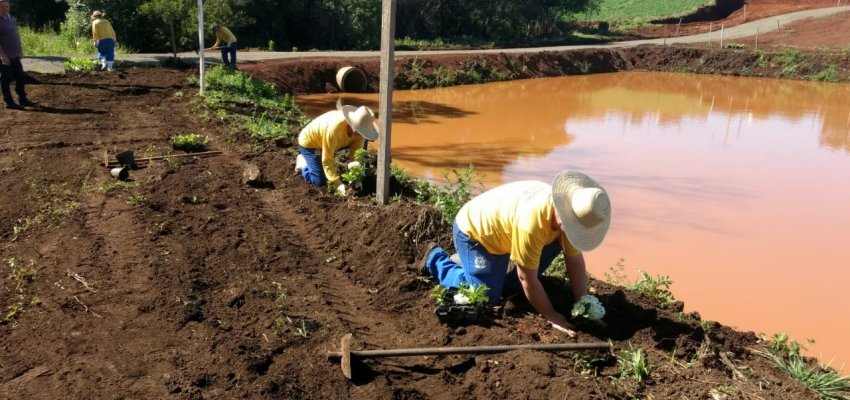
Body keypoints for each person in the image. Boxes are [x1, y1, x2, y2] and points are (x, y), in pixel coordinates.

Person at [419, 170, 611, 336]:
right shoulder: (531, 225)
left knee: (514, 286)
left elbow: (574, 260)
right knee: (487, 298)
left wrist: (585, 306)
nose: (574, 233)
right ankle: (437, 260)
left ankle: (485, 269)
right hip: (476, 235)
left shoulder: (574, 213)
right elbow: (527, 278)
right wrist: (551, 315)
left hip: (507, 232)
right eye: (572, 227)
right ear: (563, 212)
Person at [294, 105, 379, 196]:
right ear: (353, 127)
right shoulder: (335, 129)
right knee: (319, 180)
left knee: (363, 144)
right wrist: (337, 183)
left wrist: (357, 178)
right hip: (310, 143)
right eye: (360, 131)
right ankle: (303, 163)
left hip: (334, 141)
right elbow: (327, 159)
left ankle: (364, 172)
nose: (361, 134)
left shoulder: (360, 135)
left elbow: (355, 156)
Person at [0, 0, 36, 110]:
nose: (5, 8)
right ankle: (8, 102)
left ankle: (23, 99)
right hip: (5, 56)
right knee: (6, 79)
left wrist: (20, 50)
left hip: (15, 54)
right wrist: (2, 56)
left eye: (7, 6)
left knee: (20, 77)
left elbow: (16, 35)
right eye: (3, 7)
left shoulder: (10, 18)